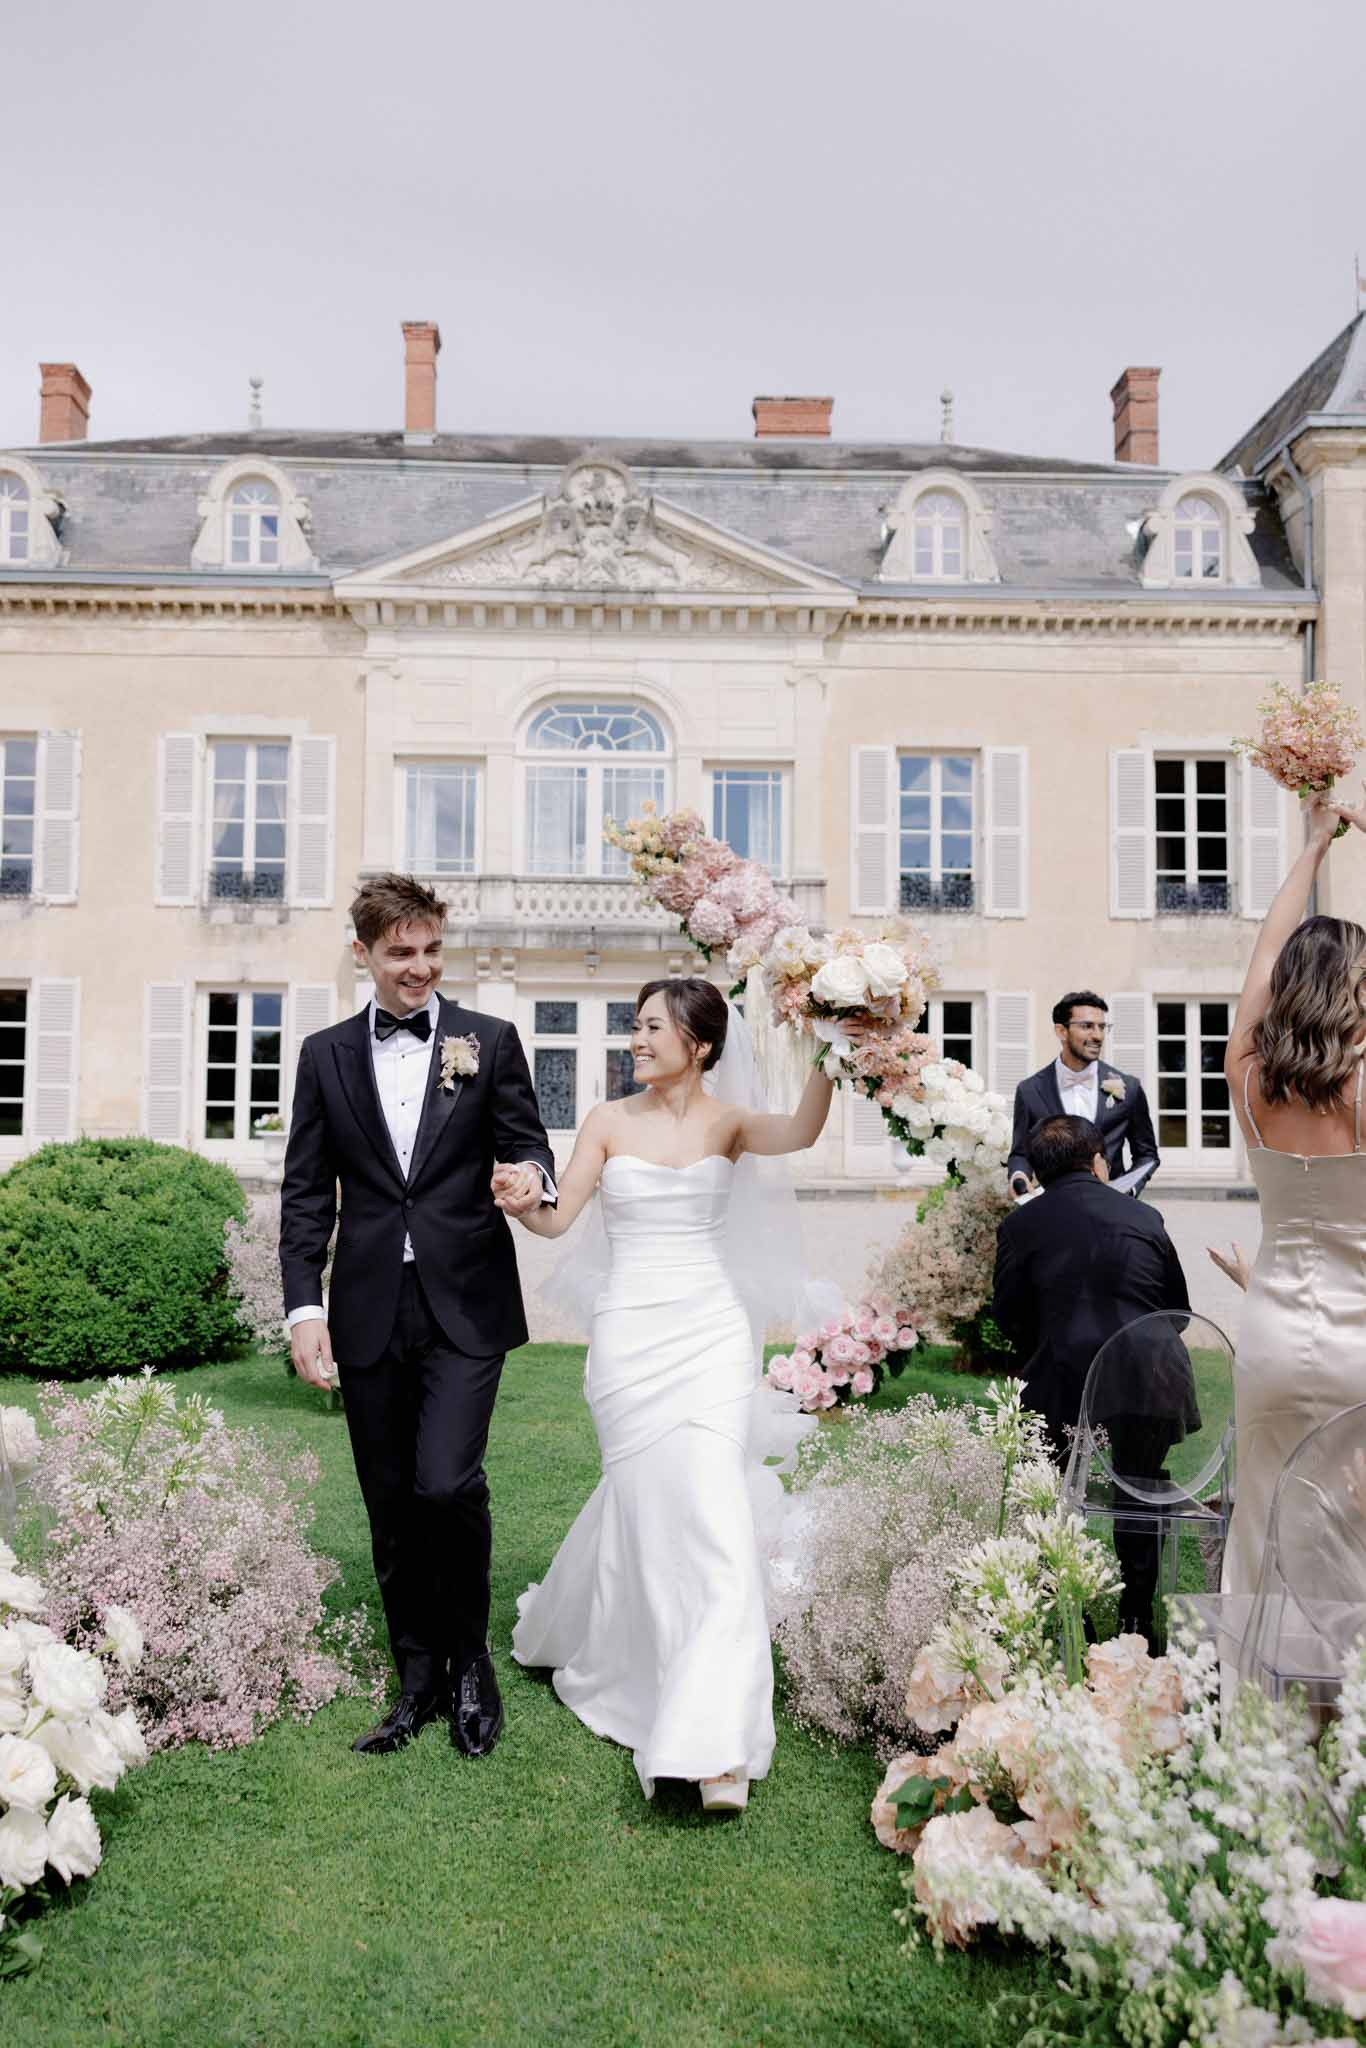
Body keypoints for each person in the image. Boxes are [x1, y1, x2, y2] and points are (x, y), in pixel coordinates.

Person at [504, 975, 834, 1813]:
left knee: (717, 1518)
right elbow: (556, 1218)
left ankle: (709, 1743)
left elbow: (800, 1129)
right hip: (630, 1340)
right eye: (634, 1027)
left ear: (702, 1045)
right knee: (650, 1507)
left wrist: (839, 1046)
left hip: (713, 1334)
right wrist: (519, 1200)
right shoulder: (607, 1123)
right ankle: (624, 1651)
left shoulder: (730, 1123)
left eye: (652, 1028)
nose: (635, 1040)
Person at [279, 873, 556, 1758]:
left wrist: (528, 1178)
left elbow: (528, 1143)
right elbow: (303, 1196)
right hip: (366, 1305)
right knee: (390, 1501)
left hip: (466, 1298)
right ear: (362, 954)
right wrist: (301, 1308)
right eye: (401, 952)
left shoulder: (491, 1040)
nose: (421, 969)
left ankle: (470, 1661)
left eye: (432, 950)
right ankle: (417, 1677)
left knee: (446, 1481)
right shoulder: (323, 1056)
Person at [1214, 791, 1366, 1606]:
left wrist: (1314, 846)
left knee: (1264, 1534)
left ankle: (1258, 1727)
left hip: (1271, 1340)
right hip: (1361, 1352)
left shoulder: (1249, 1081)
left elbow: (1263, 954)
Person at [992, 1112, 1196, 1642]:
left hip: (1062, 1383)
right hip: (1150, 1382)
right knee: (1140, 1487)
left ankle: (1071, 1614)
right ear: (1099, 1161)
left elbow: (1010, 1319)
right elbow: (1177, 1312)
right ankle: (1136, 1616)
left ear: (1036, 1173)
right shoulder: (1145, 1218)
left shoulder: (1019, 1225)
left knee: (1054, 1494)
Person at [1007, 991, 1159, 1198]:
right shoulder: (1030, 1090)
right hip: (1054, 1208)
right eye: (1087, 1026)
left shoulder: (1130, 1088)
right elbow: (1020, 1153)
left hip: (1111, 1208)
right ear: (1061, 1031)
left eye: (1102, 1027)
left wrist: (1128, 1191)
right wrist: (1018, 1176)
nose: (1098, 1035)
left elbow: (1147, 1155)